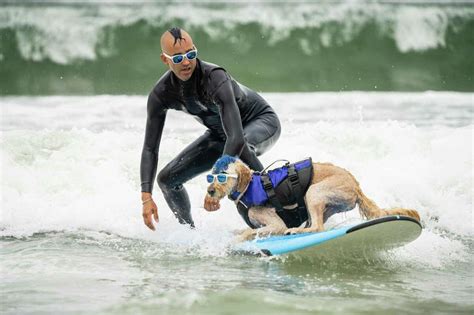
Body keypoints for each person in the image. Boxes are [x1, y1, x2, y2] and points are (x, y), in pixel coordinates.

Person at [140, 27, 281, 230]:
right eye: (178, 58)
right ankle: (189, 234)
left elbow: (237, 138)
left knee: (241, 153)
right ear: (165, 60)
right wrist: (146, 196)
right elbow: (149, 148)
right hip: (221, 135)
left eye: (191, 54)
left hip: (260, 122)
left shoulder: (214, 78)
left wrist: (217, 181)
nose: (187, 62)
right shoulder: (161, 93)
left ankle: (273, 215)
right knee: (167, 180)